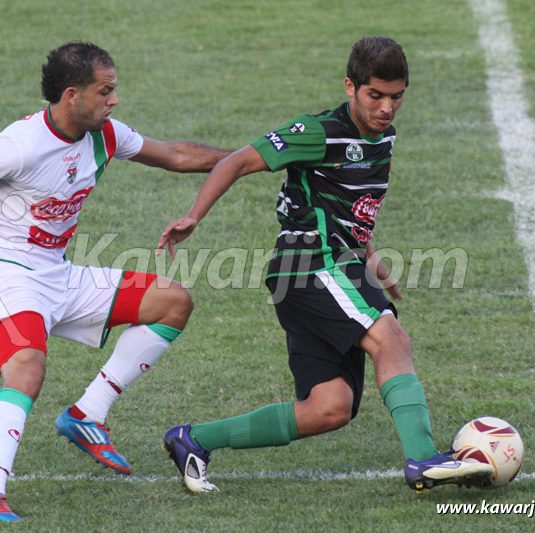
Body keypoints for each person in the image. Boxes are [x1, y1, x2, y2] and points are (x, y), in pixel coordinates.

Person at [0, 41, 232, 522]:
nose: (114, 101)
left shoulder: (105, 136)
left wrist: (251, 158)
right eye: (105, 91)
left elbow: (175, 155)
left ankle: (87, 415)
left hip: (59, 274)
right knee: (27, 368)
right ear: (72, 95)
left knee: (173, 302)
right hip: (7, 277)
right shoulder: (20, 144)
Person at [157, 36, 493, 494]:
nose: (387, 108)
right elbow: (236, 161)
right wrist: (194, 216)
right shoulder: (318, 131)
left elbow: (355, 204)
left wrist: (371, 257)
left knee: (329, 407)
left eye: (397, 97)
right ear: (350, 86)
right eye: (375, 95)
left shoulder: (384, 136)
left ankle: (193, 439)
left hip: (328, 268)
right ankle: (422, 459)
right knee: (392, 339)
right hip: (309, 263)